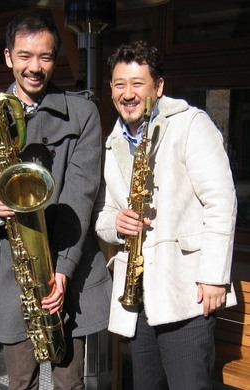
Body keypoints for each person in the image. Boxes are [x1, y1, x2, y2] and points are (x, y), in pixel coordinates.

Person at [0, 13, 112, 390]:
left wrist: (61, 270)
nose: (35, 68)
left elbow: (80, 195)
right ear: (8, 57)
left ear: (55, 59)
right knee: (22, 382)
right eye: (25, 56)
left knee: (70, 383)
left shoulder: (82, 113)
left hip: (72, 264)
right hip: (16, 271)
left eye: (45, 57)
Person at [94, 40, 237, 390]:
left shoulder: (191, 125)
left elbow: (222, 201)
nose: (128, 94)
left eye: (137, 83)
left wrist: (214, 276)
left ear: (158, 86)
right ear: (111, 89)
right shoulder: (111, 142)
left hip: (186, 293)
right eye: (119, 84)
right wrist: (115, 223)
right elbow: (101, 212)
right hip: (138, 298)